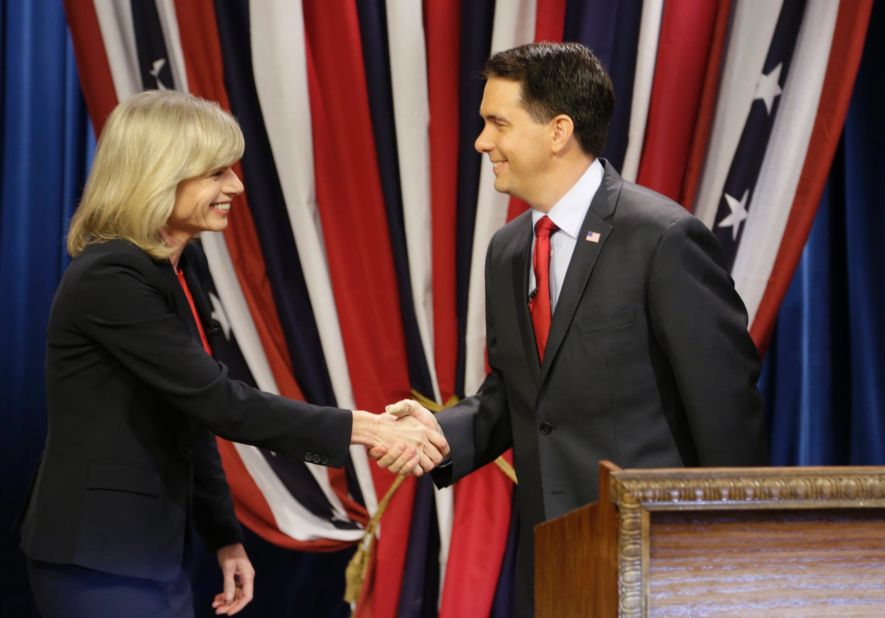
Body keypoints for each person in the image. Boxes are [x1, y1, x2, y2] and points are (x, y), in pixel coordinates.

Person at [18, 90, 447, 618]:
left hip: (152, 555)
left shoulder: (178, 267)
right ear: (159, 173)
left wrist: (225, 536)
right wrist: (368, 429)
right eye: (217, 172)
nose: (236, 187)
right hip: (99, 557)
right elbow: (220, 401)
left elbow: (191, 416)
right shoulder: (110, 276)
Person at [375, 42, 768, 616]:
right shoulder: (508, 251)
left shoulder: (661, 239)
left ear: (558, 131)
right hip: (554, 561)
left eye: (497, 123)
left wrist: (738, 562)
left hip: (659, 564)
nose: (482, 142)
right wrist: (435, 433)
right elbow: (516, 395)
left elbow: (725, 409)